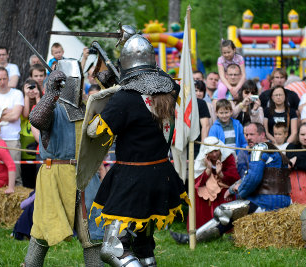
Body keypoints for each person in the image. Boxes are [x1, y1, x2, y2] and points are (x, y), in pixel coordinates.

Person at [87, 34, 188, 266]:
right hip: (161, 173)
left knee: (113, 250)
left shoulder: (124, 99)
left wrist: (98, 104)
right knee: (143, 242)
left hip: (133, 179)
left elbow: (94, 131)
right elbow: (165, 80)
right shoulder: (170, 92)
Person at [24, 59, 104, 267]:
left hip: (86, 176)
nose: (75, 85)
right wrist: (50, 94)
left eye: (78, 80)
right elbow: (36, 119)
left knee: (93, 235)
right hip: (55, 176)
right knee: (42, 232)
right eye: (71, 80)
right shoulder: (51, 109)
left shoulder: (88, 108)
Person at [171, 123, 291, 244]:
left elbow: (252, 180)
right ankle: (232, 236)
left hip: (265, 203)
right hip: (283, 201)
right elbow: (252, 177)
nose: (248, 137)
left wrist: (238, 193)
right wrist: (234, 188)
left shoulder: (259, 148)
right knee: (231, 212)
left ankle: (192, 239)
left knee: (223, 211)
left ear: (262, 134)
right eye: (246, 134)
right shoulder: (275, 149)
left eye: (252, 134)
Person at [192, 137, 239, 228]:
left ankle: (224, 226)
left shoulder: (228, 157)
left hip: (224, 184)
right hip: (207, 186)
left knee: (223, 192)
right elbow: (197, 182)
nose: (214, 155)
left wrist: (220, 174)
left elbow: (234, 178)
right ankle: (202, 225)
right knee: (198, 193)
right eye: (211, 152)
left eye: (216, 151)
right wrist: (209, 169)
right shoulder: (202, 160)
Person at [21, 79, 42, 188]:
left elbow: (40, 114)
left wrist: (38, 96)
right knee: (28, 171)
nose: (31, 90)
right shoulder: (23, 101)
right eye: (29, 88)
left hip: (40, 140)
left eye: (34, 87)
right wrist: (26, 95)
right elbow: (25, 114)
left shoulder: (42, 101)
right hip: (27, 141)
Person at [285, 123, 306, 204]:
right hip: (295, 188)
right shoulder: (291, 147)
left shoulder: (295, 152)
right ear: (298, 135)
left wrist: (296, 158)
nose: (305, 138)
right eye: (302, 134)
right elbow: (288, 165)